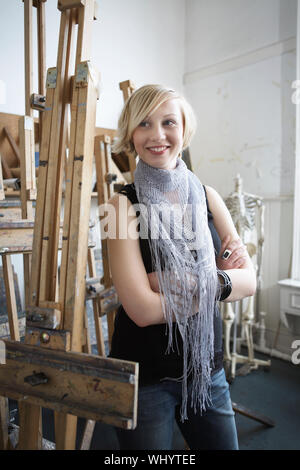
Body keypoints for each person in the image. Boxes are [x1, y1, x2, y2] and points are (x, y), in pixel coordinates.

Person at [107, 84, 256, 450]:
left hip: (206, 369)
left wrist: (175, 283)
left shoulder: (208, 196)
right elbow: (140, 311)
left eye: (168, 122)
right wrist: (217, 286)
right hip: (146, 375)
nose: (157, 135)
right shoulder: (118, 205)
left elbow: (249, 281)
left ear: (184, 129)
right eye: (144, 124)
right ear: (131, 134)